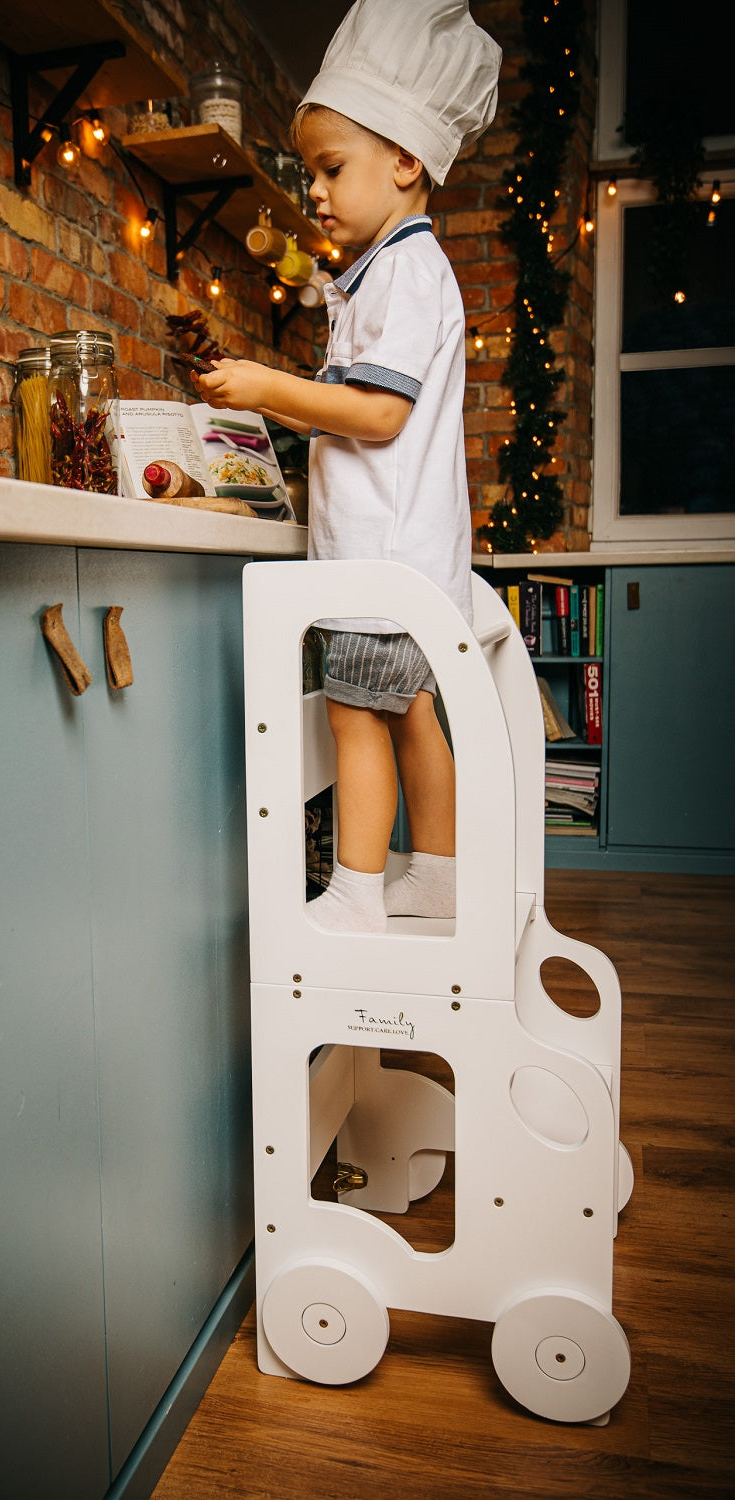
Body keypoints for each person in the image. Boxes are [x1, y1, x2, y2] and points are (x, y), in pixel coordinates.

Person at [194, 0, 501, 933]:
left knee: (354, 716)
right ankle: (437, 877)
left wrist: (266, 384)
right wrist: (272, 399)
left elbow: (377, 412)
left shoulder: (406, 270)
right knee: (405, 713)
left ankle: (356, 894)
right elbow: (352, 409)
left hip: (384, 565)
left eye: (331, 168)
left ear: (404, 160)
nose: (316, 193)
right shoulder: (386, 272)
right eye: (310, 173)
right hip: (399, 563)